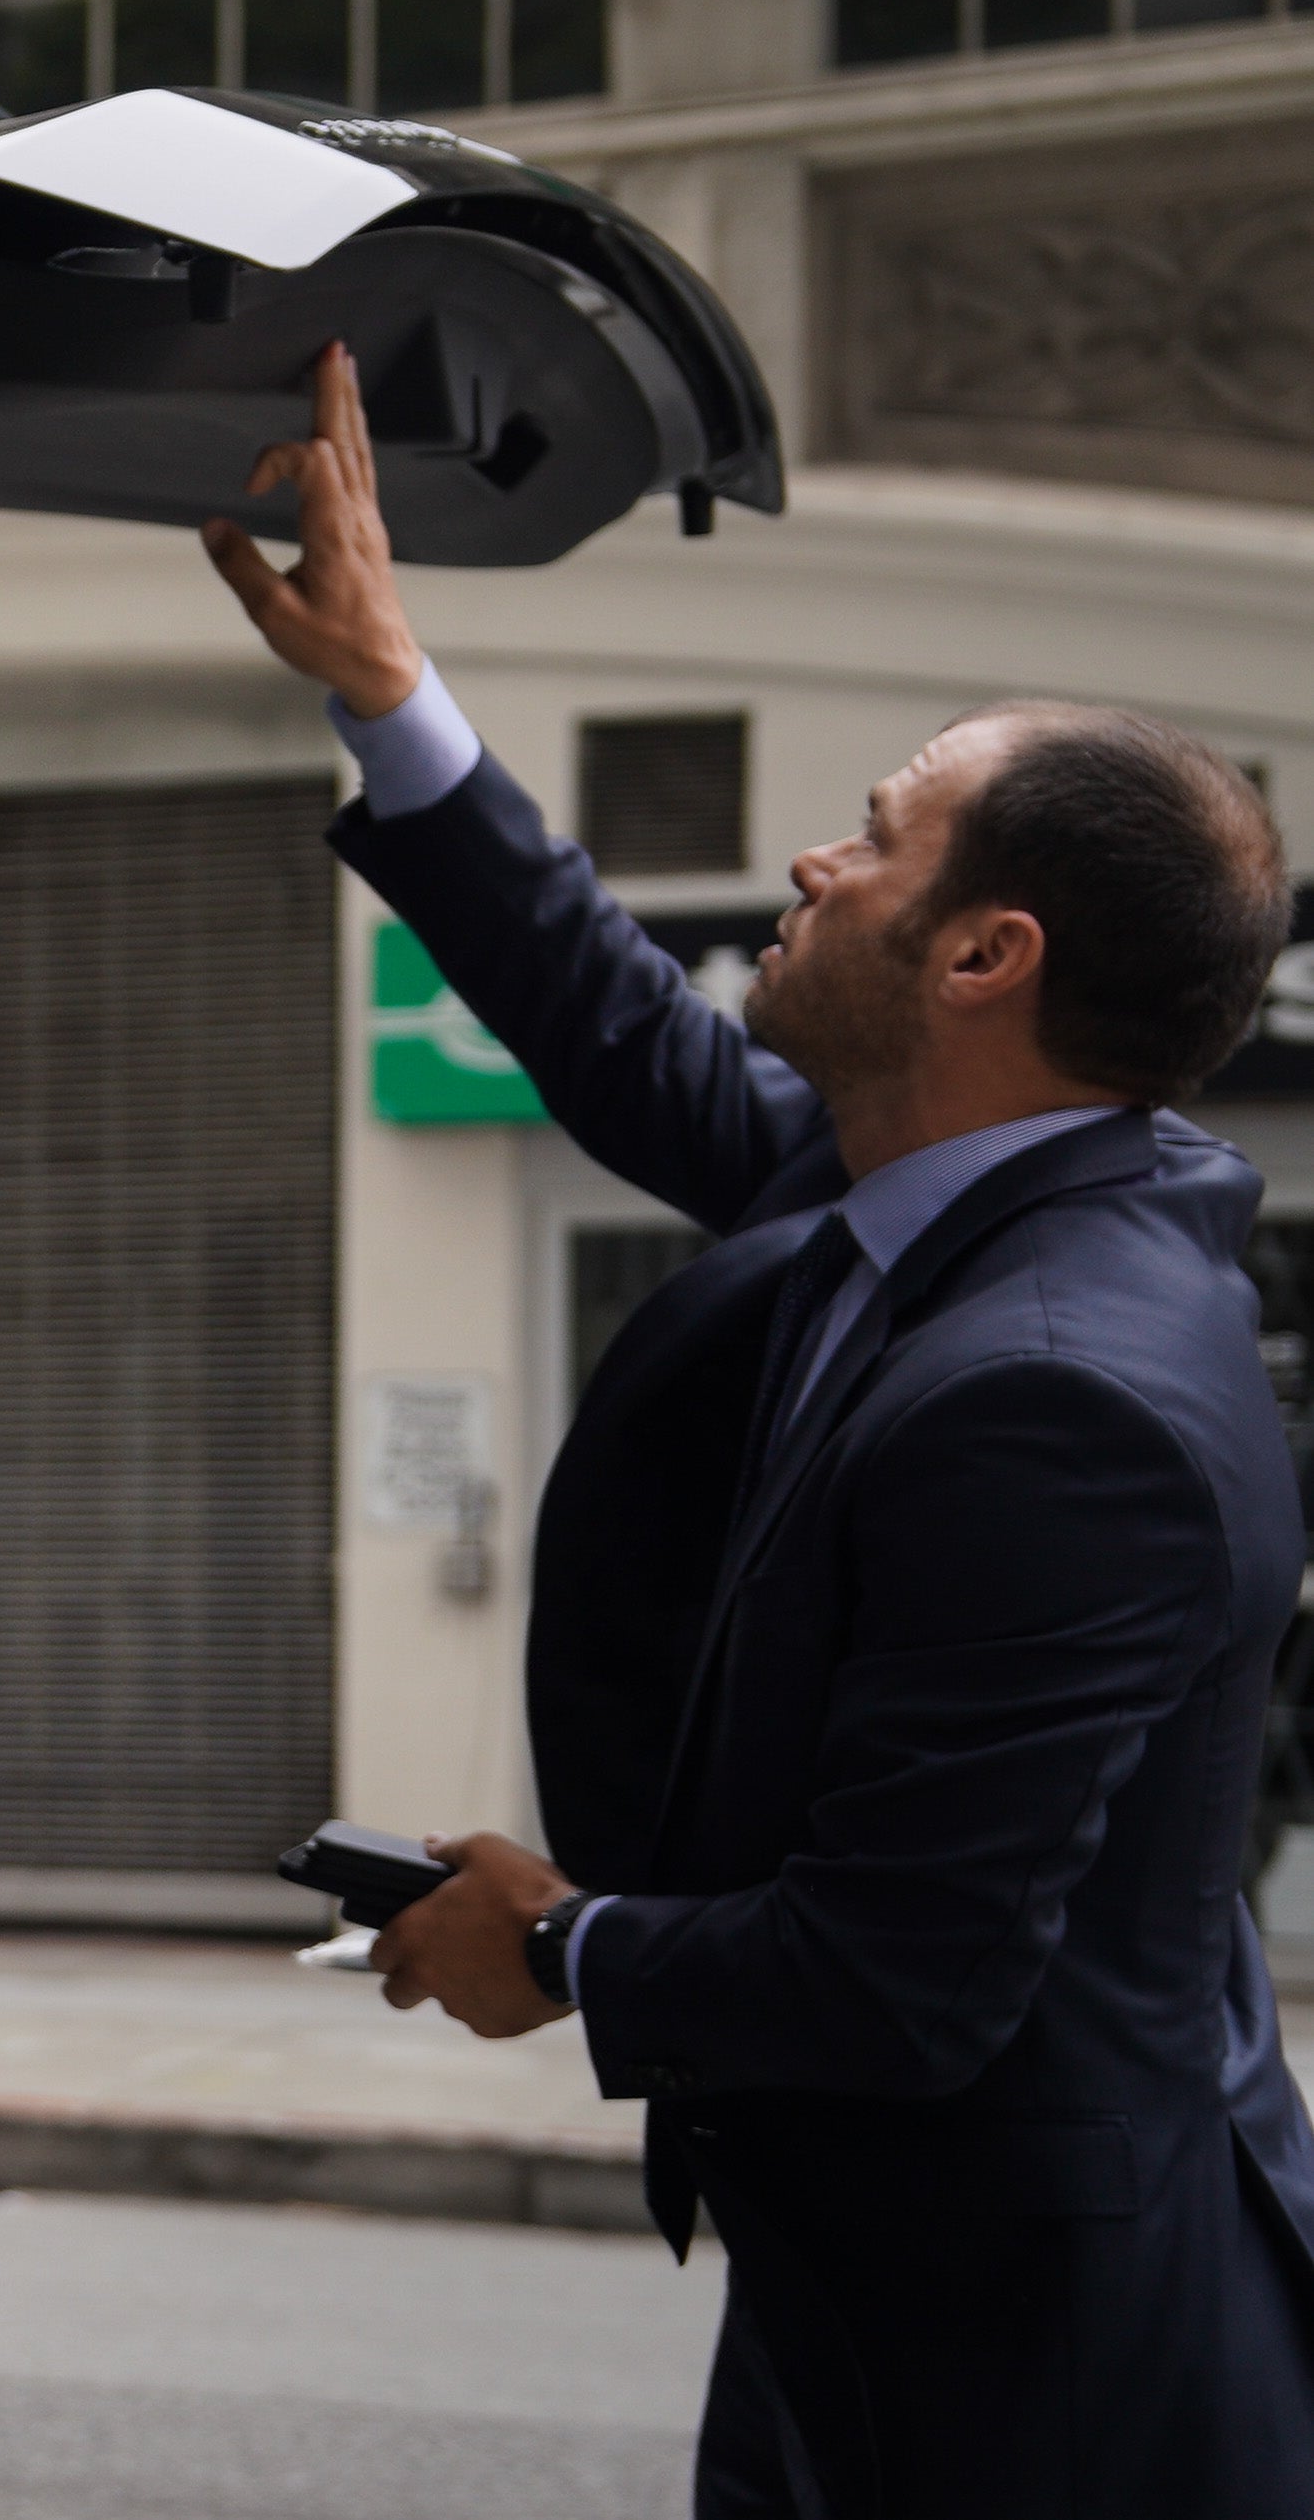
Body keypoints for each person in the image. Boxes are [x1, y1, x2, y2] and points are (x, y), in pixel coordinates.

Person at [208, 352, 1314, 2516]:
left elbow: (899, 1972)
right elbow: (625, 1038)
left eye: (875, 836)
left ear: (984, 951)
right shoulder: (919, 1185)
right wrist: (386, 688)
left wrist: (549, 1951)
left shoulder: (1057, 1395)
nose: (810, 857)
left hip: (1042, 2397)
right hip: (884, 2301)